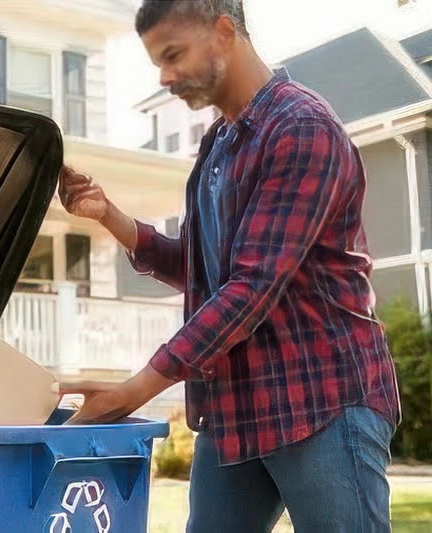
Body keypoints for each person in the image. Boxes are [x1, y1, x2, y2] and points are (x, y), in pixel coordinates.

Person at [58, 1, 401, 531]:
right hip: (237, 409)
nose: (165, 77)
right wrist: (109, 216)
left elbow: (251, 287)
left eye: (173, 55)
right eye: (157, 64)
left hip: (323, 400)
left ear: (223, 32)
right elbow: (203, 273)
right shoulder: (219, 144)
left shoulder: (301, 127)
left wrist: (136, 389)